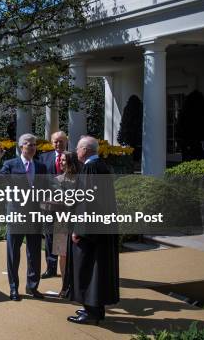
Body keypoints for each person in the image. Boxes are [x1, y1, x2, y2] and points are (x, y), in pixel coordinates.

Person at [65, 136, 119, 325]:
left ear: (85, 150)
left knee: (87, 268)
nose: (76, 152)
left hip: (91, 231)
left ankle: (91, 312)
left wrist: (78, 230)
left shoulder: (90, 168)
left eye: (78, 148)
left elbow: (87, 203)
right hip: (103, 228)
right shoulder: (103, 166)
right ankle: (96, 308)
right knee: (98, 270)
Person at [0, 133, 49, 301]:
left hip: (35, 216)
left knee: (34, 254)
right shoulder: (10, 165)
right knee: (13, 253)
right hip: (16, 216)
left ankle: (32, 287)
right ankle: (14, 288)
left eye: (34, 145)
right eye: (28, 144)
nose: (32, 147)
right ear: (21, 146)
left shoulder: (41, 166)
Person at [37, 131, 68, 279]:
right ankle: (51, 267)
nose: (58, 144)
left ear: (66, 141)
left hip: (65, 206)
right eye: (55, 141)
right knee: (49, 236)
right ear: (51, 142)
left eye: (61, 141)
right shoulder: (43, 158)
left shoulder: (71, 157)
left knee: (61, 236)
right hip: (49, 205)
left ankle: (65, 269)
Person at [51, 151, 80, 297]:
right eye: (60, 160)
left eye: (64, 160)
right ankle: (64, 286)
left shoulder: (81, 180)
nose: (61, 162)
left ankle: (77, 287)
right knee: (63, 255)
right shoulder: (57, 179)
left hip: (77, 221)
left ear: (71, 162)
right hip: (61, 221)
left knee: (77, 254)